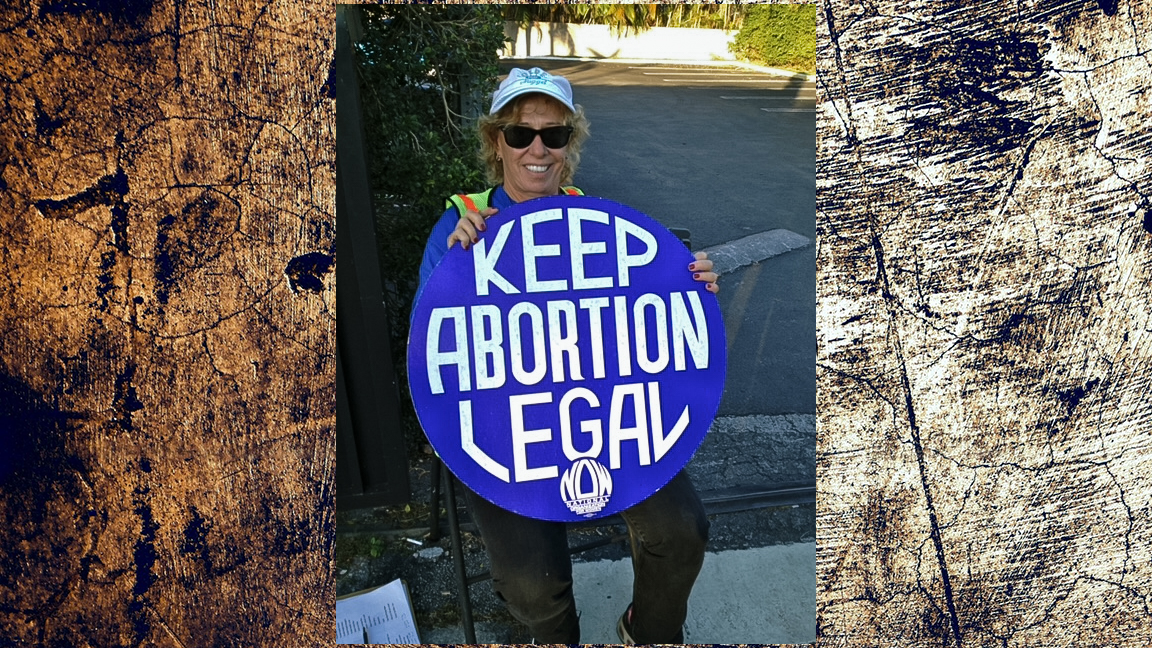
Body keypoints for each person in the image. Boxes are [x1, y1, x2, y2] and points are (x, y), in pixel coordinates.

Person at [417, 67, 719, 643]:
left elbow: (650, 324)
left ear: (568, 146)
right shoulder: (458, 232)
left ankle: (649, 631)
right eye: (519, 133)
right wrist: (455, 277)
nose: (537, 148)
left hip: (606, 420)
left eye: (553, 135)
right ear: (495, 143)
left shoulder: (597, 225)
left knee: (684, 529)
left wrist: (691, 288)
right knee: (531, 581)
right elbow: (431, 353)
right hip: (511, 430)